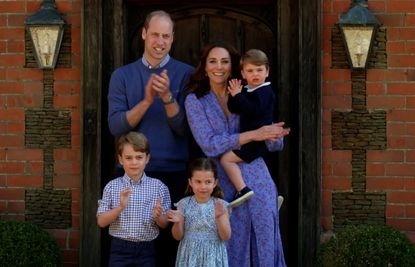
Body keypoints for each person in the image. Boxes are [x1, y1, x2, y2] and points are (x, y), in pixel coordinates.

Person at [184, 40, 289, 267]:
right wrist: (255, 134)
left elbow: (273, 143)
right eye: (212, 61)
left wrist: (274, 135)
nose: (218, 67)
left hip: (257, 175)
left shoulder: (250, 92)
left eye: (225, 61)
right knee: (231, 244)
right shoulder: (195, 101)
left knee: (265, 237)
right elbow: (209, 145)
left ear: (233, 67)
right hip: (222, 180)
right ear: (204, 66)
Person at [107, 10, 194, 266]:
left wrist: (167, 97)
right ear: (144, 34)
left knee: (169, 249)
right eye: (155, 34)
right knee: (134, 247)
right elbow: (115, 126)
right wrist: (146, 101)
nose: (160, 41)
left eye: (166, 36)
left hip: (174, 173)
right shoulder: (122, 76)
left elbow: (185, 129)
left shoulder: (186, 74)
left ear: (173, 38)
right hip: (132, 174)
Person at [96, 132, 171, 267]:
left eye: (139, 157)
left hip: (147, 249)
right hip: (120, 249)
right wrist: (120, 208)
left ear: (147, 158)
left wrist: (159, 216)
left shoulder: (159, 187)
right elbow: (101, 222)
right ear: (120, 159)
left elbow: (164, 224)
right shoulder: (112, 186)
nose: (134, 162)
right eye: (128, 158)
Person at [221, 49, 276, 208]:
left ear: (267, 71)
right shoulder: (248, 90)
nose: (255, 74)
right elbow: (235, 108)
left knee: (226, 159)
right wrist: (233, 94)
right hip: (250, 140)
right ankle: (267, 199)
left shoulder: (265, 91)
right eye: (250, 71)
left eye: (259, 70)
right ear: (243, 74)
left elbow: (254, 110)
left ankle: (242, 190)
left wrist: (239, 96)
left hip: (257, 142)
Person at [167, 158, 231, 267]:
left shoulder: (221, 205)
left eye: (208, 182)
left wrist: (219, 217)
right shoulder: (183, 204)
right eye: (198, 181)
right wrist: (178, 222)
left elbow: (226, 236)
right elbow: (177, 236)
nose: (203, 186)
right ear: (190, 182)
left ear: (215, 182)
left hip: (213, 255)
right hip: (189, 255)